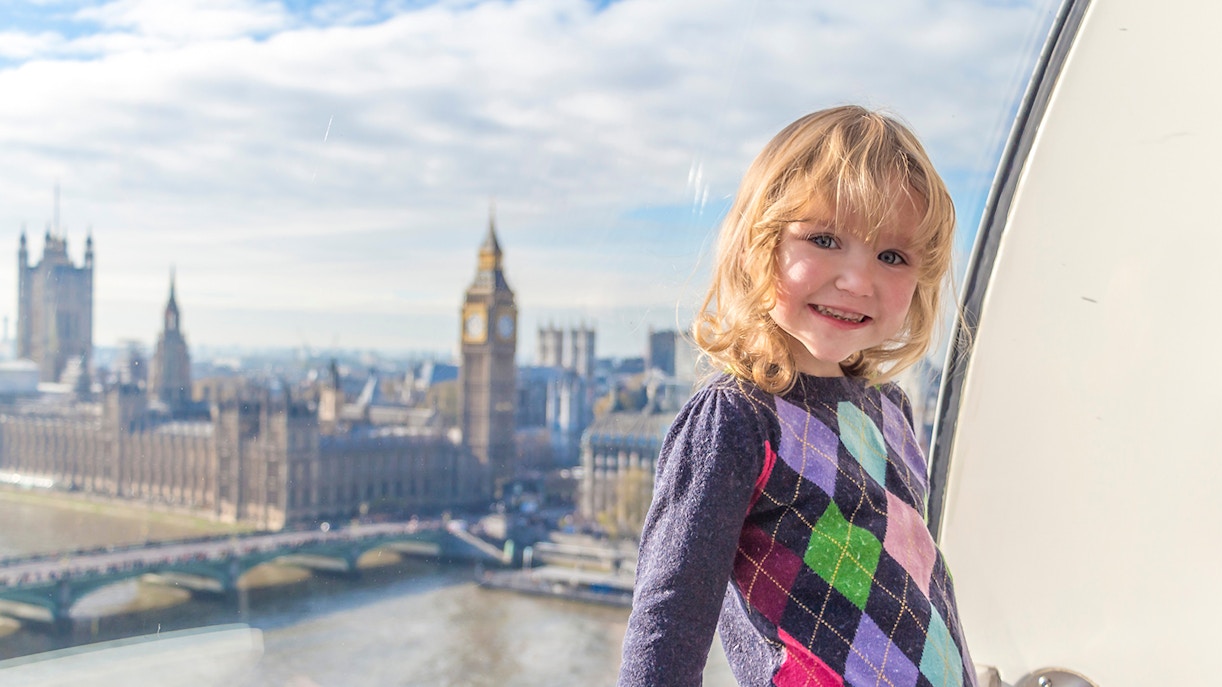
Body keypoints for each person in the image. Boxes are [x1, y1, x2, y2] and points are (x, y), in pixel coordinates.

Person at [617, 106, 976, 687]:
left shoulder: (890, 410)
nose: (857, 280)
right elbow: (671, 618)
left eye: (892, 256)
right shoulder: (735, 419)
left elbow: (921, 597)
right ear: (757, 246)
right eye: (825, 239)